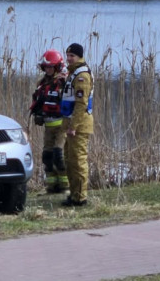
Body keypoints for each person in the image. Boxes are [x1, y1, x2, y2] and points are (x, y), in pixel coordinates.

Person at [28, 49, 69, 194]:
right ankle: (51, 187)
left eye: (51, 66)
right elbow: (38, 101)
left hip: (61, 126)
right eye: (46, 67)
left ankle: (65, 187)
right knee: (47, 157)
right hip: (48, 126)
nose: (48, 69)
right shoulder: (42, 83)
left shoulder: (63, 82)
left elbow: (70, 102)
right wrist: (38, 114)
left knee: (59, 156)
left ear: (58, 66)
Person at [61, 42, 94, 207]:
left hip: (79, 126)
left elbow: (81, 104)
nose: (69, 59)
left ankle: (80, 198)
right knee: (69, 159)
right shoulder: (73, 73)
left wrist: (73, 126)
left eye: (72, 56)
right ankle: (74, 195)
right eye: (67, 55)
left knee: (78, 160)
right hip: (70, 125)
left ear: (79, 56)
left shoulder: (82, 76)